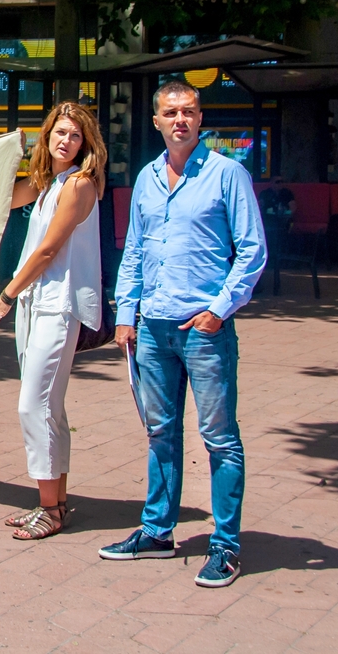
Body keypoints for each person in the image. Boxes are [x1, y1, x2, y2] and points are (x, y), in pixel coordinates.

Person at [101, 81, 266, 588]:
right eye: (170, 112)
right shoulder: (147, 178)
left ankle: (226, 546)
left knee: (219, 438)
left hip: (203, 331)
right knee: (160, 434)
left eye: (189, 112)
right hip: (152, 328)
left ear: (201, 118)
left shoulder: (226, 174)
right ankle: (157, 532)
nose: (180, 120)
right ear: (156, 121)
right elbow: (133, 251)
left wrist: (219, 310)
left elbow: (253, 250)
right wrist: (124, 314)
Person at [0, 102, 106, 541]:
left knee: (33, 406)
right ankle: (54, 503)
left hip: (57, 305)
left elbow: (48, 250)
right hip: (35, 305)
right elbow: (5, 198)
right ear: (46, 136)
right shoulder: (48, 182)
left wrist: (6, 295)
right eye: (59, 133)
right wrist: (2, 154)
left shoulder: (78, 185)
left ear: (85, 143)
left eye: (75, 135)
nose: (65, 141)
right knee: (49, 408)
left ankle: (50, 510)